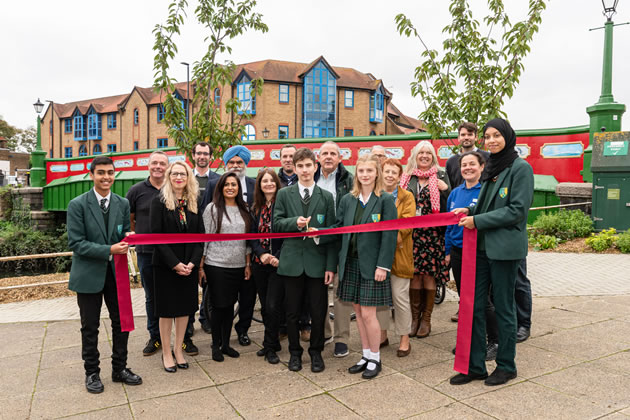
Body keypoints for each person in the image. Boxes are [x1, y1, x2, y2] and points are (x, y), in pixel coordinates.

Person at [450, 118, 534, 387]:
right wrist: (470, 212)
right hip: (482, 248)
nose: (492, 140)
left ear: (508, 137)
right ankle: (475, 367)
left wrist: (478, 221)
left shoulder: (520, 168)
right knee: (473, 307)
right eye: (488, 136)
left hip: (504, 250)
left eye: (497, 135)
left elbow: (516, 211)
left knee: (504, 308)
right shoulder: (492, 169)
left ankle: (507, 366)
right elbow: (486, 207)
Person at [67, 156, 142, 394]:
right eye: (101, 172)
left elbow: (122, 234)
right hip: (88, 274)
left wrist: (127, 240)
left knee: (122, 323)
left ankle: (119, 368)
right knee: (90, 326)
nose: (106, 177)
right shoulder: (77, 205)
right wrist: (109, 249)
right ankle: (92, 373)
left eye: (110, 172)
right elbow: (76, 243)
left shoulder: (122, 204)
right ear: (91, 175)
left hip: (115, 273)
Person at [333, 155, 397, 379]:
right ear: (356, 174)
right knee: (358, 313)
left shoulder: (385, 199)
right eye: (361, 171)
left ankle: (376, 358)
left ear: (377, 173)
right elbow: (338, 228)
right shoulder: (347, 200)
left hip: (372, 265)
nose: (365, 175)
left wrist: (383, 266)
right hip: (350, 263)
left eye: (370, 170)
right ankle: (366, 354)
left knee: (370, 315)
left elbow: (389, 235)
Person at [274, 147, 336, 373]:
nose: (304, 170)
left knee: (318, 312)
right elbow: (276, 224)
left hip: (317, 264)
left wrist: (330, 266)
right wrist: (295, 224)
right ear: (294, 168)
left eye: (308, 165)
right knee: (291, 312)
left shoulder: (327, 197)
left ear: (315, 166)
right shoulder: (284, 194)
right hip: (291, 264)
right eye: (300, 166)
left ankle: (316, 352)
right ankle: (294, 353)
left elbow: (333, 232)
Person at [150, 162, 204, 372]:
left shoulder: (194, 201)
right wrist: (175, 264)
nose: (179, 177)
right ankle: (166, 352)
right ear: (169, 176)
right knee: (166, 311)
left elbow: (200, 236)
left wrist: (192, 262)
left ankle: (178, 350)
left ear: (188, 176)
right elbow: (156, 237)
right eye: (175, 173)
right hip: (166, 265)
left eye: (183, 173)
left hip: (188, 265)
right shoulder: (159, 201)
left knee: (184, 310)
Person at [444, 152, 498, 360]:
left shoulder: (486, 191)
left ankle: (494, 340)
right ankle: (471, 340)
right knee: (465, 300)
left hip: (478, 251)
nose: (467, 168)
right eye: (464, 165)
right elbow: (449, 225)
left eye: (472, 164)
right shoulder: (455, 193)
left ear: (482, 166)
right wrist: (448, 251)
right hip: (457, 251)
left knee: (482, 300)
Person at [201, 145, 257, 346]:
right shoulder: (214, 186)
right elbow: (207, 227)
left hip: (245, 258)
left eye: (239, 162)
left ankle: (242, 331)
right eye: (231, 162)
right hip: (218, 262)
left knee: (247, 299)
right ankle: (218, 340)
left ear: (245, 164)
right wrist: (202, 263)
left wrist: (249, 261)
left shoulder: (254, 184)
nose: (235, 165)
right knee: (220, 303)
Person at [401, 141, 451, 338]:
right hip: (411, 236)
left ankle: (426, 320)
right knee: (414, 276)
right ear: (415, 155)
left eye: (428, 153)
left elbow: (450, 205)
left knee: (429, 277)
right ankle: (414, 319)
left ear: (433, 156)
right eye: (421, 152)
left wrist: (445, 190)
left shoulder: (441, 174)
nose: (424, 156)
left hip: (433, 236)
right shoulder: (407, 177)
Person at [125, 151, 169, 357]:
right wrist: (138, 234)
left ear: (167, 167)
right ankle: (155, 336)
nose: (158, 166)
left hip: (171, 252)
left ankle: (185, 336)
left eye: (162, 163)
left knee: (174, 293)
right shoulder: (136, 191)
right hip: (146, 252)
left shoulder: (174, 188)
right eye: (155, 163)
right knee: (151, 296)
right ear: (148, 165)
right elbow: (130, 218)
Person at [313, 140, 354, 358]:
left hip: (340, 241)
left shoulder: (349, 180)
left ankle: (341, 339)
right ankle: (323, 333)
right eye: (324, 153)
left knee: (341, 292)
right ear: (318, 158)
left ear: (340, 158)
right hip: (314, 242)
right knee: (317, 290)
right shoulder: (312, 177)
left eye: (333, 153)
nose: (328, 157)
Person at [249, 168, 285, 364]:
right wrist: (261, 254)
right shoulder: (255, 207)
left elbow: (288, 235)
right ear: (259, 185)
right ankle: (272, 341)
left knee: (272, 306)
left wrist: (276, 256)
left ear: (277, 183)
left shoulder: (284, 205)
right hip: (259, 263)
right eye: (264, 181)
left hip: (278, 264)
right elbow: (252, 235)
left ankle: (270, 347)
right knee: (264, 306)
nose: (269, 184)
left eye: (272, 181)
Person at [381, 158, 415, 357]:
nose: (390, 175)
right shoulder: (375, 195)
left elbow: (407, 224)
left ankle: (404, 338)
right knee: (380, 299)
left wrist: (386, 241)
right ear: (381, 172)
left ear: (400, 176)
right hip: (377, 257)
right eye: (387, 171)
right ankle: (382, 335)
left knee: (400, 297)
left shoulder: (407, 197)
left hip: (399, 254)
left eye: (394, 172)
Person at [192, 141, 219, 336]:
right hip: (188, 237)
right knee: (188, 280)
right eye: (199, 153)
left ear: (211, 157)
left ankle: (205, 318)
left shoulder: (219, 179)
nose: (202, 156)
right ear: (193, 156)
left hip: (210, 238)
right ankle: (187, 322)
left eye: (206, 154)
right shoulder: (184, 178)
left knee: (208, 281)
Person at [445, 122, 489, 189]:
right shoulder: (450, 162)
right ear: (459, 138)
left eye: (470, 134)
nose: (466, 137)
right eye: (463, 135)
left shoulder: (487, 157)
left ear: (476, 137)